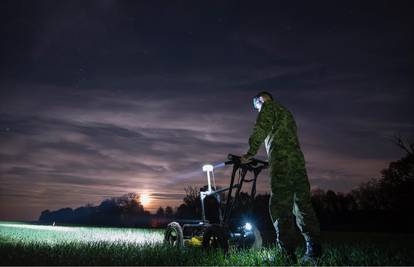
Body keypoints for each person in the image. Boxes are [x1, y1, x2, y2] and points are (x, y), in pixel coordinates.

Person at [241, 91, 322, 263]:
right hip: (297, 162)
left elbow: (261, 128)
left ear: (260, 100)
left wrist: (250, 153)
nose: (258, 111)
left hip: (282, 161)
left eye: (257, 107)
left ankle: (286, 252)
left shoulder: (268, 107)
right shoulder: (286, 112)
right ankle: (313, 248)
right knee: (302, 203)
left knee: (280, 203)